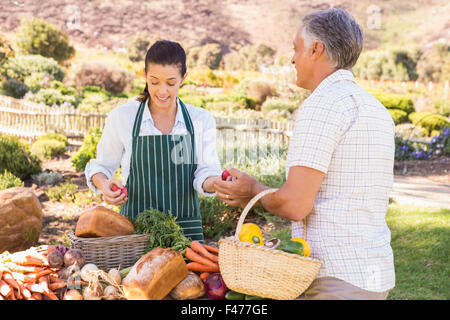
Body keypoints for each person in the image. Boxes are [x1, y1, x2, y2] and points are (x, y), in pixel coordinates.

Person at [214, 7, 395, 300]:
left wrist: (252, 191)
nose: (292, 58)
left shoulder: (322, 103)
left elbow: (296, 204)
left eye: (296, 48)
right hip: (372, 275)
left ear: (316, 49)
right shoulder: (376, 109)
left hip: (334, 279)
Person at [85, 40, 222, 243]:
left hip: (185, 236)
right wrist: (105, 185)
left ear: (184, 78)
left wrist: (219, 184)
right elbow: (101, 166)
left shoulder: (200, 120)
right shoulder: (124, 117)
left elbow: (206, 172)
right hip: (135, 234)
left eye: (171, 83)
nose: (162, 91)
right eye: (154, 81)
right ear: (145, 75)